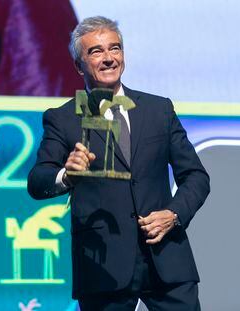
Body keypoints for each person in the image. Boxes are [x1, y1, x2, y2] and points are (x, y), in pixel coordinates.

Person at [28, 16, 210, 311]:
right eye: (96, 51)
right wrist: (67, 175)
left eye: (115, 48)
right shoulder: (62, 118)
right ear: (78, 65)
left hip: (167, 260)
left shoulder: (158, 109)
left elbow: (197, 178)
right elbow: (38, 181)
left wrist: (173, 214)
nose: (109, 58)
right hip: (103, 268)